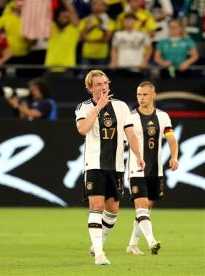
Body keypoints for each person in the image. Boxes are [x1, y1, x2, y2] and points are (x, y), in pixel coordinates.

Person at [75, 69, 145, 265]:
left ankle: (98, 243)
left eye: (105, 83)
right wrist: (98, 108)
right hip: (94, 164)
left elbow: (130, 133)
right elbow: (82, 129)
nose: (103, 87)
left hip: (116, 166)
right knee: (96, 206)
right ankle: (99, 253)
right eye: (98, 84)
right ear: (90, 88)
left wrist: (138, 155)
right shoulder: (83, 107)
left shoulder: (121, 107)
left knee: (113, 210)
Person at [126, 81, 179, 255]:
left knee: (146, 209)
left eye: (145, 94)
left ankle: (132, 245)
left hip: (156, 170)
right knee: (141, 207)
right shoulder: (131, 118)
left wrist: (174, 157)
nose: (141, 98)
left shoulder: (163, 117)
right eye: (138, 95)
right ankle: (152, 242)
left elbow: (171, 138)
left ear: (153, 95)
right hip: (136, 168)